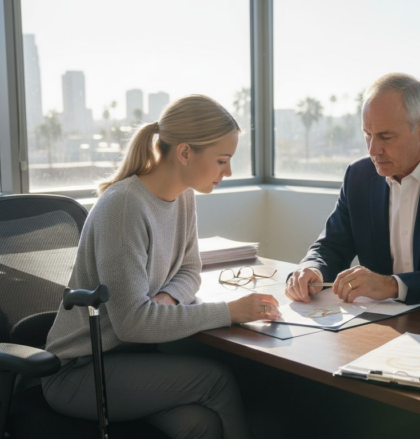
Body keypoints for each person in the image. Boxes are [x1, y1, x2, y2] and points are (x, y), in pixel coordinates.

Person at [43, 95, 279, 439]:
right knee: (216, 379)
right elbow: (132, 323)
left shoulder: (183, 196)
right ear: (184, 153)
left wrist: (167, 298)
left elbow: (190, 269)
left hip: (134, 360)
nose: (227, 172)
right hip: (81, 371)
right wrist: (230, 312)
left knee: (200, 425)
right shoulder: (125, 206)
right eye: (222, 160)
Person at [285, 73, 420, 305]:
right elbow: (332, 246)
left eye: (386, 137)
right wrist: (313, 269)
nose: (372, 150)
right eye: (367, 135)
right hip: (380, 320)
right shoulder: (358, 176)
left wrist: (393, 286)